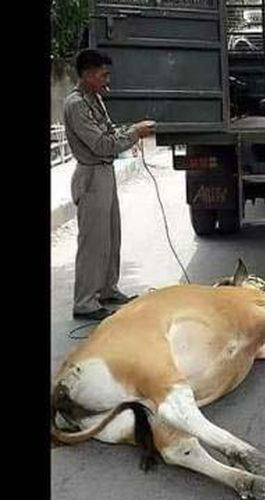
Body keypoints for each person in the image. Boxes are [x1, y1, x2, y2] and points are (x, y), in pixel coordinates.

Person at [64, 49, 156, 320]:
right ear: (88, 74)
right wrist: (134, 132)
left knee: (110, 236)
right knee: (93, 241)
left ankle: (106, 289)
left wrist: (130, 132)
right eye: (103, 74)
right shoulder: (76, 104)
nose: (107, 80)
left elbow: (110, 132)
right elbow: (102, 144)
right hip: (91, 175)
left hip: (105, 173)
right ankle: (85, 302)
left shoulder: (94, 99)